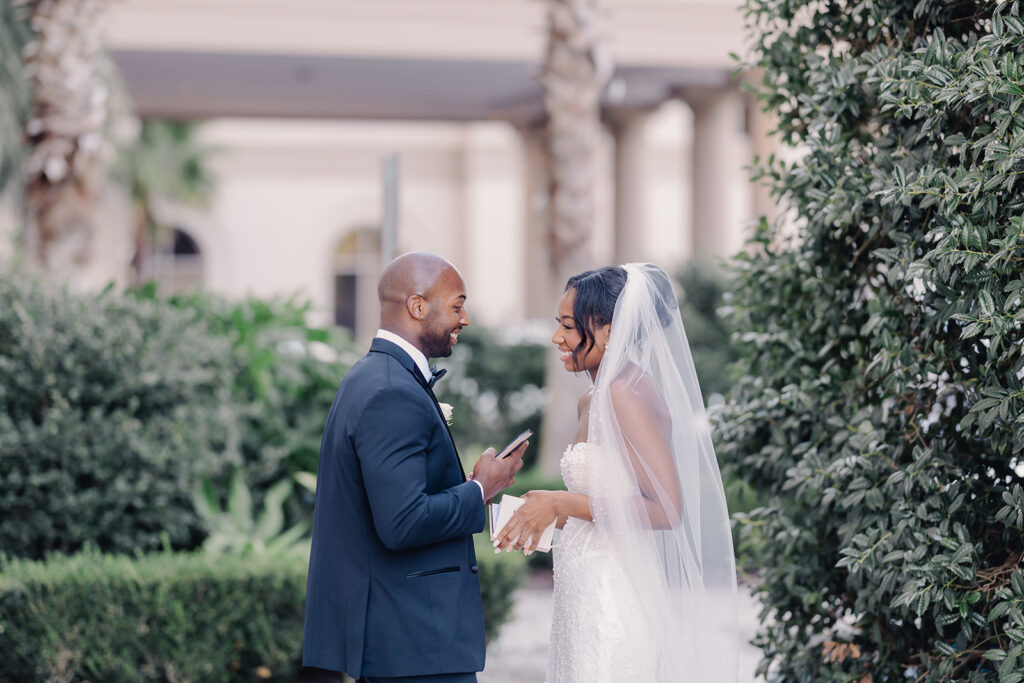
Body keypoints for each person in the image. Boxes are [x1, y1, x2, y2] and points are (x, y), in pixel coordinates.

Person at [494, 263, 739, 682]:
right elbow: (608, 503)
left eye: (569, 327)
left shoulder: (625, 393)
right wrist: (539, 518)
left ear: (609, 330)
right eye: (559, 324)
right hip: (581, 593)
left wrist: (560, 502)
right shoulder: (593, 397)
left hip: (612, 600)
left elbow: (666, 508)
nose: (557, 338)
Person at [303, 251, 527, 683]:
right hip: (414, 643)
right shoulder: (391, 391)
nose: (465, 319)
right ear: (418, 306)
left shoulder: (375, 377)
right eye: (457, 305)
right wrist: (480, 489)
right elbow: (402, 522)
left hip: (403, 641)